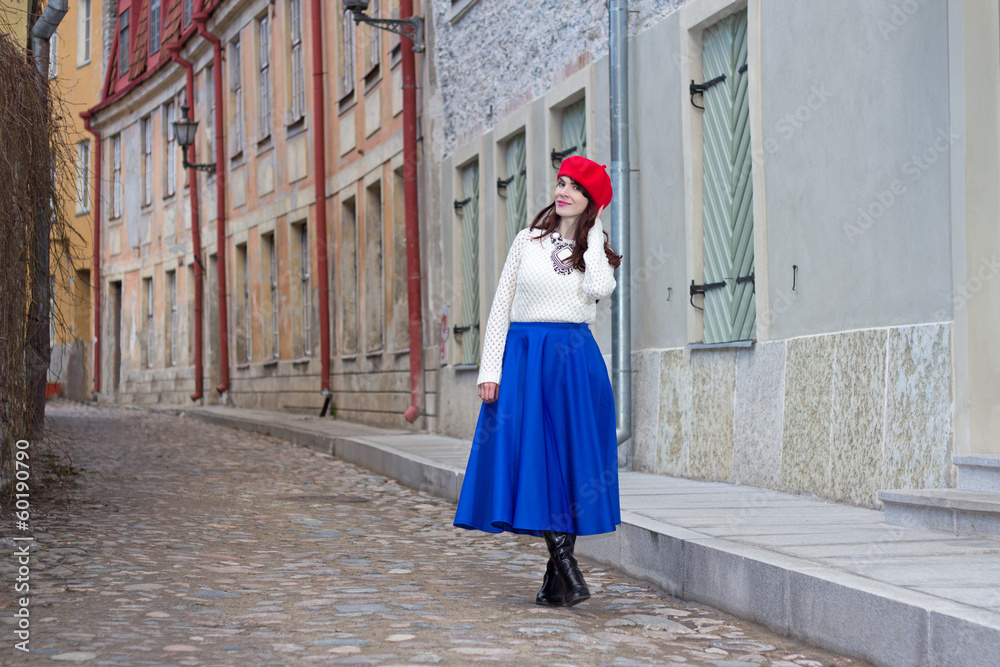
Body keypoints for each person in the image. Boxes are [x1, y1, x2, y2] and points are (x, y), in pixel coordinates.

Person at [453, 155, 623, 607]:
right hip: (525, 360)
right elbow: (500, 305)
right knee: (536, 460)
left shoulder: (595, 250)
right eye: (561, 183)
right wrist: (490, 370)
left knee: (568, 466)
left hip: (574, 366)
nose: (562, 191)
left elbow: (600, 291)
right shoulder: (527, 241)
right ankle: (566, 567)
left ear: (591, 202)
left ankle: (555, 580)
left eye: (575, 188)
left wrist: (593, 233)